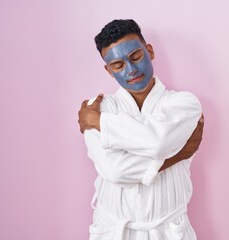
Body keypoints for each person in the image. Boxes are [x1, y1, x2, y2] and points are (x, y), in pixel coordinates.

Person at [78, 19, 204, 240]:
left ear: (149, 51)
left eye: (136, 57)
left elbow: (158, 142)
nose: (131, 69)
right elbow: (114, 171)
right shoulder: (98, 107)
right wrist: (176, 156)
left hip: (169, 231)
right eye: (118, 65)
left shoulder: (185, 104)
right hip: (114, 232)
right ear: (109, 71)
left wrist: (100, 123)